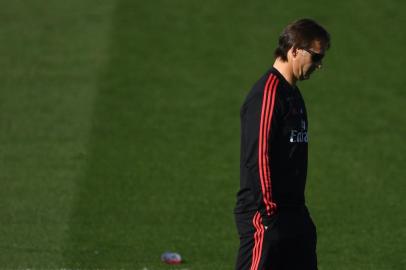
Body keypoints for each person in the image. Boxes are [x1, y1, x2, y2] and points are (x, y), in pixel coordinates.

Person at [234, 18, 331, 270]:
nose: (319, 65)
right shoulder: (267, 94)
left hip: (294, 214)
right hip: (267, 215)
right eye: (316, 57)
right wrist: (269, 215)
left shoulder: (293, 95)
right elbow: (258, 157)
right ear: (295, 50)